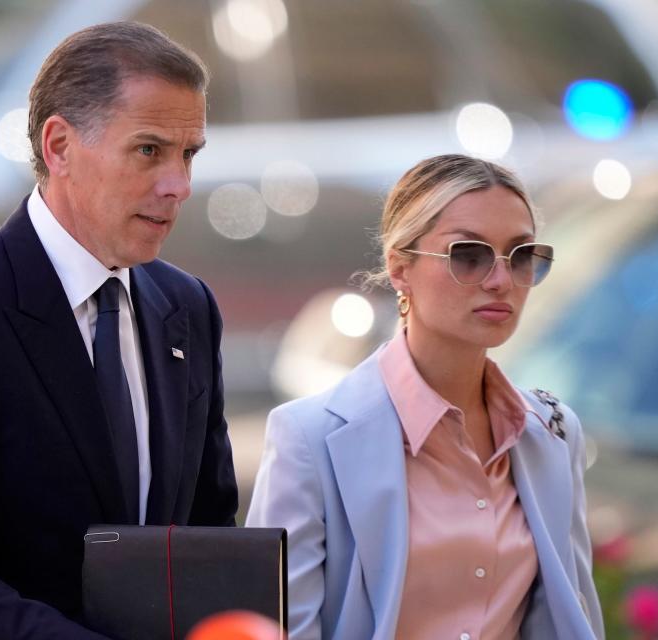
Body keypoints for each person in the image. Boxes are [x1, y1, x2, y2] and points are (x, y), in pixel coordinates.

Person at [0, 22, 238, 640]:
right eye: (149, 150)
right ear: (59, 145)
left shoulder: (186, 307)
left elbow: (206, 536)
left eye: (188, 154)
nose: (179, 185)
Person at [246, 154, 604, 640]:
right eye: (468, 255)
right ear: (399, 268)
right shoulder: (308, 438)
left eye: (521, 257)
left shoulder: (554, 431)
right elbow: (279, 629)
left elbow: (574, 610)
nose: (501, 280)